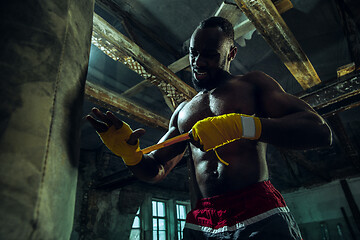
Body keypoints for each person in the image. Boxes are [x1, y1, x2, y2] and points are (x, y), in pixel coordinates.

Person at [87, 17, 332, 240]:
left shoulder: (252, 84)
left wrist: (239, 125)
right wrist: (130, 155)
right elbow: (156, 168)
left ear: (232, 53)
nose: (198, 62)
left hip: (257, 209)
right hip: (202, 222)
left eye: (210, 55)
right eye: (193, 53)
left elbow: (319, 131)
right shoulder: (183, 110)